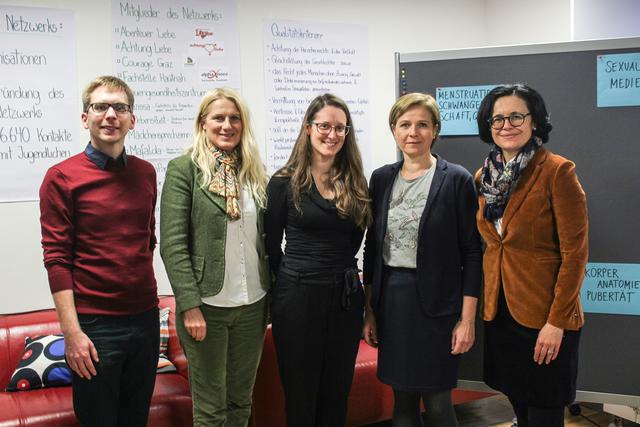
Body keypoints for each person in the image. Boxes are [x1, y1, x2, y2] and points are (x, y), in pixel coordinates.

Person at [39, 75, 159, 426]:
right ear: (84, 117)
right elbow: (57, 260)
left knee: (135, 419)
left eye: (120, 107)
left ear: (131, 120)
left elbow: (146, 240)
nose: (110, 115)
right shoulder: (61, 177)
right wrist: (72, 333)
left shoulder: (146, 173)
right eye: (100, 106)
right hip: (94, 327)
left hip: (146, 320)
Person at [362, 92, 482, 427]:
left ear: (435, 131)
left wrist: (467, 320)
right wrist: (369, 310)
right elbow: (373, 247)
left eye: (422, 125)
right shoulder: (382, 178)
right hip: (393, 303)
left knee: (439, 401)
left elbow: (473, 252)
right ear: (394, 130)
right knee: (402, 400)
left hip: (438, 306)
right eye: (405, 124)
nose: (413, 132)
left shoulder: (456, 179)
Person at [475, 83, 588, 427]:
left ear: (535, 121)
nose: (506, 125)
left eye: (516, 116)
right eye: (497, 119)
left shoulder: (557, 171)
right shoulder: (483, 178)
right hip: (501, 312)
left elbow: (575, 254)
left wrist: (556, 322)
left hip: (545, 317)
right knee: (520, 409)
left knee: (544, 413)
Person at [160, 87, 270, 426]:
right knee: (211, 409)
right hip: (206, 307)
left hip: (253, 303)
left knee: (241, 402)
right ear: (203, 123)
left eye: (234, 118)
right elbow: (173, 244)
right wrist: (190, 305)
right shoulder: (184, 170)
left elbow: (261, 239)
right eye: (218, 118)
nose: (227, 125)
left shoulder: (252, 171)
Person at [264, 93, 372, 426]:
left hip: (344, 299)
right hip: (297, 298)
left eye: (340, 127)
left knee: (336, 393)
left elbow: (353, 241)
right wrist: (296, 276)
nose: (332, 134)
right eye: (324, 125)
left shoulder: (354, 182)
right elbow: (270, 244)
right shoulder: (284, 182)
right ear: (308, 128)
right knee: (301, 395)